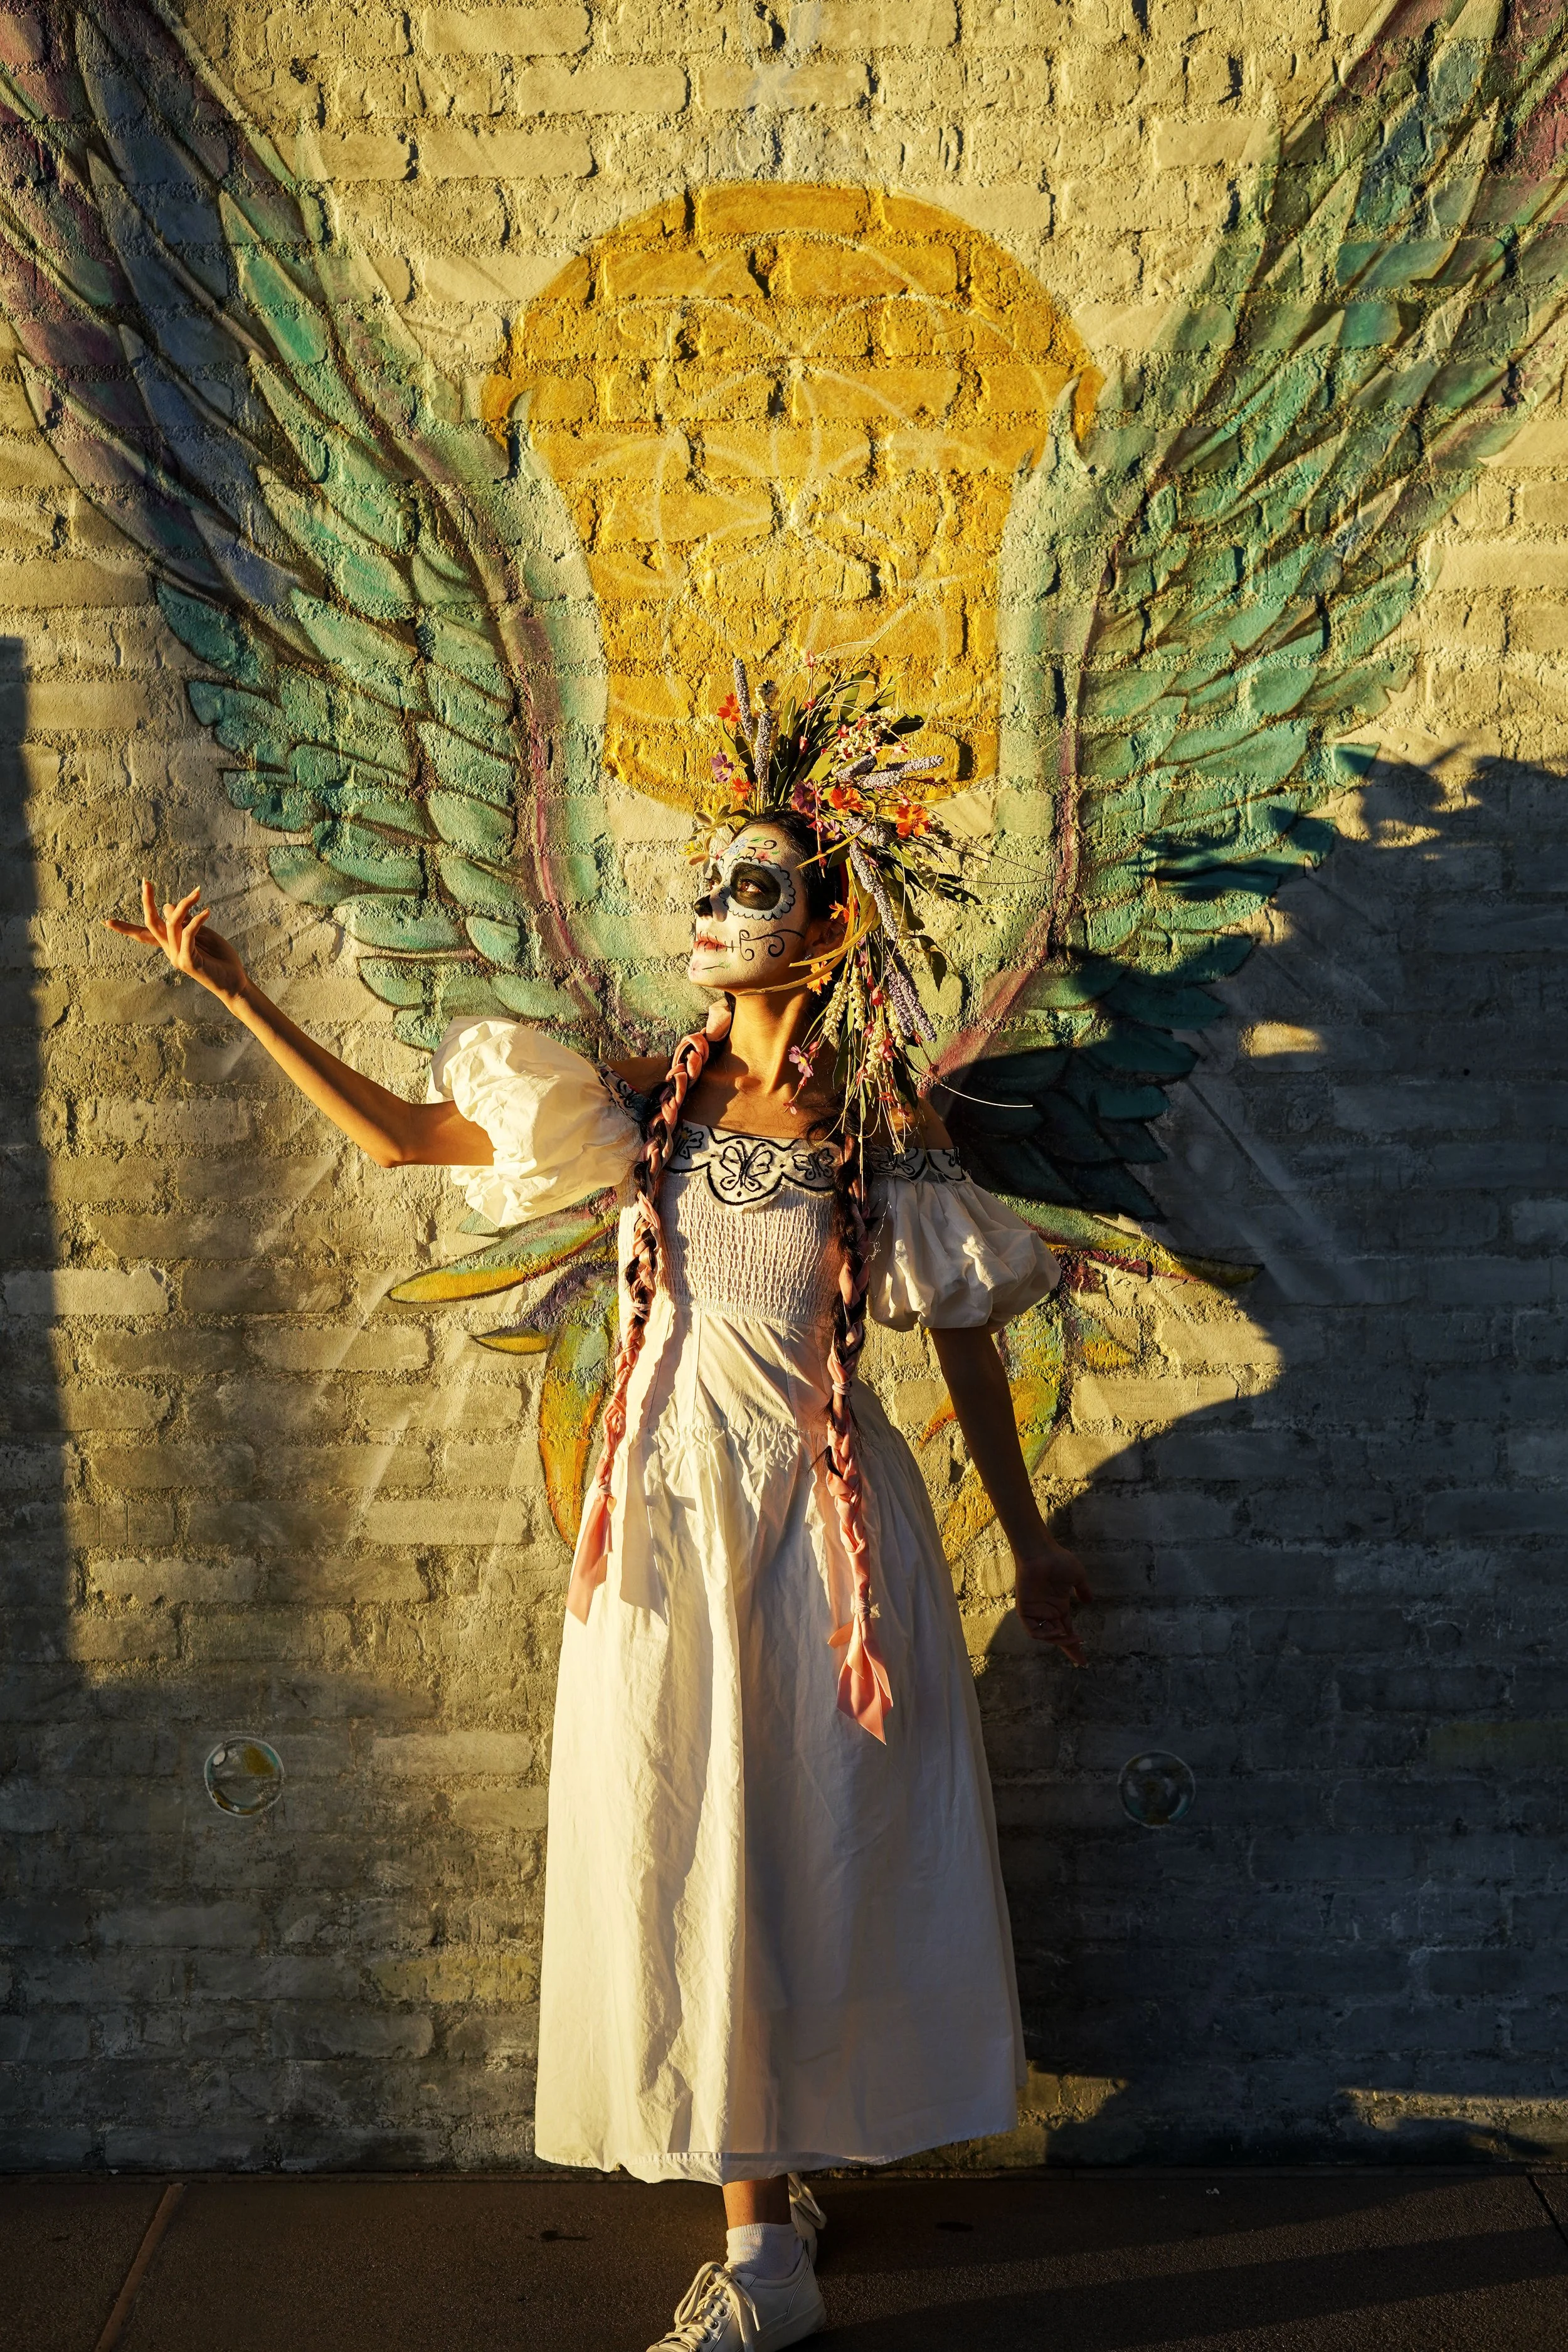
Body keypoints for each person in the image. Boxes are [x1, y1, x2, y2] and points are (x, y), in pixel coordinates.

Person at [109, 669, 1091, 2352]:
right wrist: (238, 990)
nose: (712, 906)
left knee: (803, 1849)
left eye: (753, 884)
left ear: (828, 925)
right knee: (689, 1836)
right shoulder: (641, 1102)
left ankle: (769, 2237)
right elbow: (409, 1140)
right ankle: (763, 2218)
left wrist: (1028, 1534)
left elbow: (967, 1334)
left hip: (817, 1537)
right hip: (662, 1529)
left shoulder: (877, 1127)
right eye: (705, 882)